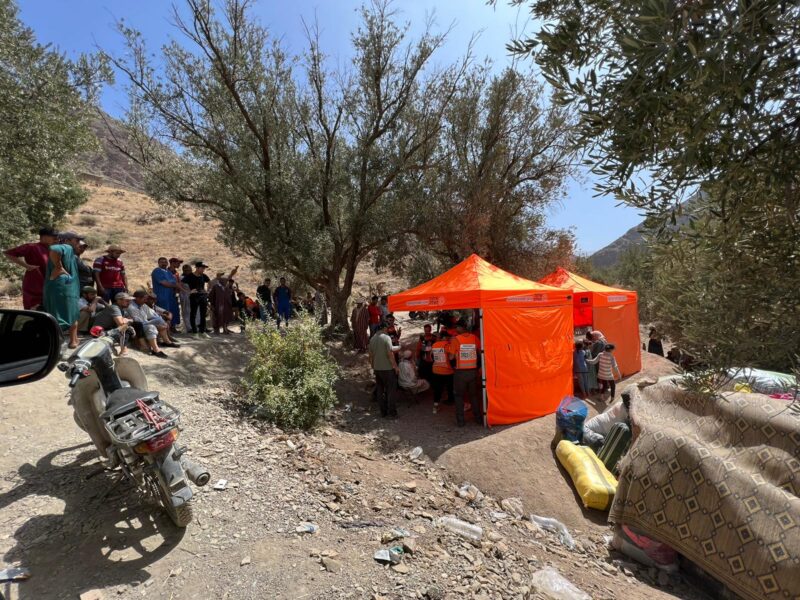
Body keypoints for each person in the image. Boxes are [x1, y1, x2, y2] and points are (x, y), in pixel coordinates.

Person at [44, 231, 83, 348]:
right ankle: (57, 343)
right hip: (62, 287)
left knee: (72, 313)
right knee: (61, 314)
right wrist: (59, 267)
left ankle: (73, 340)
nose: (78, 243)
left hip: (65, 286)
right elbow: (54, 249)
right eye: (76, 240)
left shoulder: (70, 251)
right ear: (67, 240)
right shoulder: (65, 246)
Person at [4, 226, 59, 309]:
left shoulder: (53, 250)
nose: (56, 239)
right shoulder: (32, 247)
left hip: (49, 290)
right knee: (35, 314)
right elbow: (8, 253)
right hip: (35, 289)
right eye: (54, 236)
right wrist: (27, 266)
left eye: (57, 237)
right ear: (44, 237)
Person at [448, 319, 482, 426]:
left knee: (459, 396)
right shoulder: (474, 338)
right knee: (473, 396)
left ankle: (461, 421)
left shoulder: (456, 340)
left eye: (457, 327)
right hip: (473, 371)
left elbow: (451, 356)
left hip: (460, 373)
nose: (456, 329)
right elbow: (480, 351)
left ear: (461, 328)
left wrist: (450, 350)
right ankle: (478, 418)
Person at [127, 290, 171, 357]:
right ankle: (156, 349)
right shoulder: (131, 307)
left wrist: (162, 322)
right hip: (138, 326)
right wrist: (156, 324)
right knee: (151, 327)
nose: (146, 300)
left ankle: (167, 342)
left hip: (144, 323)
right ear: (138, 298)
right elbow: (138, 322)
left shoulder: (143, 305)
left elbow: (153, 314)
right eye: (144, 299)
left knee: (160, 320)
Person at [368, 321, 399, 419]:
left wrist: (373, 366)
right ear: (384, 328)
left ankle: (383, 412)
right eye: (387, 328)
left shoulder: (372, 339)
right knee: (391, 391)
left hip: (377, 369)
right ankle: (392, 413)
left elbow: (370, 356)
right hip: (388, 369)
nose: (388, 330)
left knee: (380, 390)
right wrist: (396, 367)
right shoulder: (386, 338)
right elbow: (390, 354)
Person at [151, 257, 182, 331]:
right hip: (162, 296)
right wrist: (175, 286)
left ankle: (172, 328)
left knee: (172, 312)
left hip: (171, 296)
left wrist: (178, 288)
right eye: (162, 262)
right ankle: (164, 331)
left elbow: (175, 282)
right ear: (158, 263)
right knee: (164, 313)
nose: (164, 263)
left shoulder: (168, 272)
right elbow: (164, 283)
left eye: (165, 262)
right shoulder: (157, 271)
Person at [430, 329, 455, 415]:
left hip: (436, 370)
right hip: (447, 371)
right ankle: (451, 400)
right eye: (447, 337)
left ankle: (435, 405)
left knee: (437, 389)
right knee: (450, 387)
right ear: (444, 337)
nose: (448, 338)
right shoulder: (448, 345)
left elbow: (431, 357)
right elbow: (452, 357)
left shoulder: (434, 345)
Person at [183, 261, 211, 334]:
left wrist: (207, 290)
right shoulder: (190, 276)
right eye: (202, 268)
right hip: (194, 296)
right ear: (197, 268)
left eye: (204, 268)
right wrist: (188, 291)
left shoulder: (203, 276)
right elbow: (179, 283)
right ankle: (194, 332)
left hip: (203, 296)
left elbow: (209, 282)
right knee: (193, 314)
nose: (203, 270)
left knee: (203, 314)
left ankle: (202, 331)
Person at [177, 262, 193, 332]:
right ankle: (188, 328)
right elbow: (179, 286)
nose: (189, 271)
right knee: (186, 312)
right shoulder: (182, 278)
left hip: (192, 296)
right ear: (184, 271)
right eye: (187, 270)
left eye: (190, 270)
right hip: (185, 296)